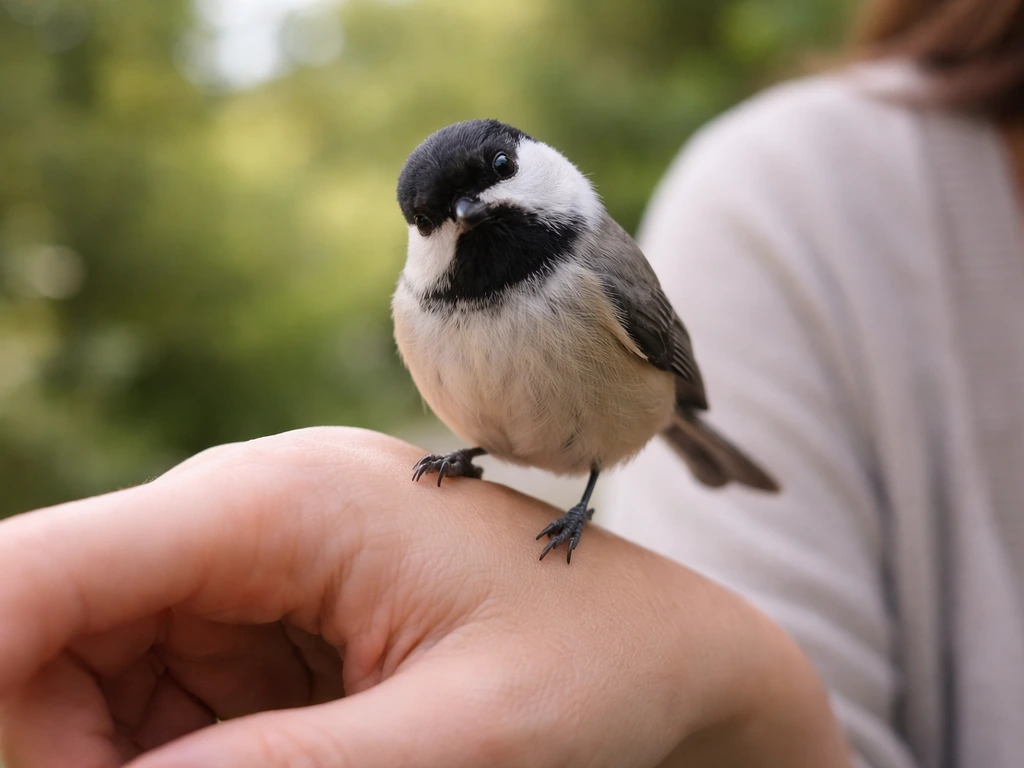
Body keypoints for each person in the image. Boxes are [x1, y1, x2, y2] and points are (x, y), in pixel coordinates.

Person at [0, 2, 1020, 767]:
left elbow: (662, 360)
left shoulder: (597, 264)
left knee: (606, 465)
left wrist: (586, 505)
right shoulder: (419, 306)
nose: (475, 208)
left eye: (491, 175)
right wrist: (465, 453)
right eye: (447, 212)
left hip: (623, 420)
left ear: (531, 165)